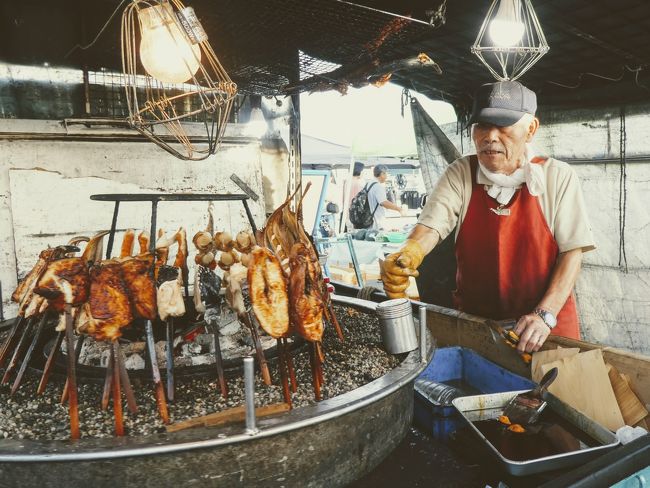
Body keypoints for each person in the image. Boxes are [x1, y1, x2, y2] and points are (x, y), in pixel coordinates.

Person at [381, 80, 595, 353]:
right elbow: (431, 226)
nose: (490, 136)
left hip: (545, 329)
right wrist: (408, 253)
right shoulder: (461, 173)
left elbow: (572, 253)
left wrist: (544, 314)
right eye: (482, 125)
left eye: (503, 126)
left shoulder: (557, 177)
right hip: (481, 328)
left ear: (531, 129)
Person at [367, 164, 405, 230]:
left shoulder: (369, 184)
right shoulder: (378, 186)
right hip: (376, 223)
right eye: (386, 174)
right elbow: (383, 202)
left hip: (368, 220)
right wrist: (399, 209)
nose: (386, 177)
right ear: (382, 174)